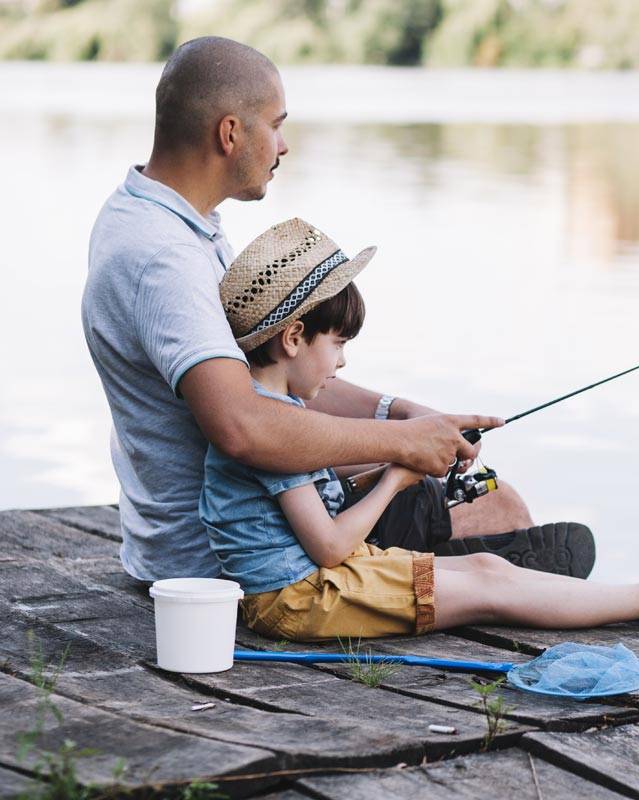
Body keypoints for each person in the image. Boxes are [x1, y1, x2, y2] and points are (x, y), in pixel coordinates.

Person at [81, 35, 593, 586]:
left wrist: (402, 415)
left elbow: (268, 380)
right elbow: (242, 426)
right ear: (229, 133)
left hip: (252, 516)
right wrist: (403, 445)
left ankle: (499, 586)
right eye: (276, 124)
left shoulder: (165, 221)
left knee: (460, 493)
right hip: (234, 556)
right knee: (497, 509)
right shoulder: (166, 258)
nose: (283, 145)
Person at [201, 219, 639, 641]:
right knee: (489, 587)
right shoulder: (276, 428)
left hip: (312, 586)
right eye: (338, 344)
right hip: (303, 599)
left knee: (484, 565)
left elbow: (317, 515)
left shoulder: (275, 409)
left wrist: (397, 463)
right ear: (294, 338)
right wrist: (394, 481)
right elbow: (329, 546)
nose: (342, 362)